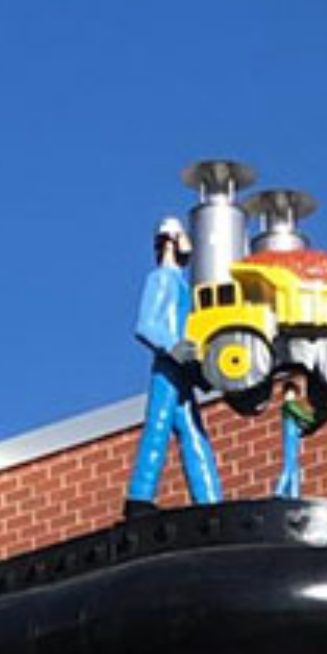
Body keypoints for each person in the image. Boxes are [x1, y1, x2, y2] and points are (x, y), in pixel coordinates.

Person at [123, 217, 222, 516]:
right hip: (168, 368)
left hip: (181, 369)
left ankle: (210, 502)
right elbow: (146, 325)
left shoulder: (180, 283)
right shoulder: (161, 279)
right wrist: (174, 347)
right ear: (171, 240)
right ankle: (139, 497)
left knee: (193, 431)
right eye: (184, 236)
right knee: (159, 426)